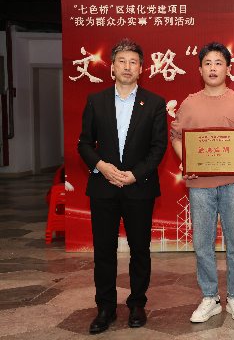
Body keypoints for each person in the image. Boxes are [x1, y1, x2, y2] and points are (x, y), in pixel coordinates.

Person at [78, 39, 168, 334]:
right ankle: (105, 308)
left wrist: (134, 175)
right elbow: (84, 143)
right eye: (122, 61)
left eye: (133, 62)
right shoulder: (96, 99)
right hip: (102, 187)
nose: (127, 66)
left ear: (141, 69)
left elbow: (158, 147)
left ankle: (137, 304)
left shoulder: (154, 102)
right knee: (104, 250)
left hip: (138, 187)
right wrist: (101, 166)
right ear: (112, 67)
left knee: (140, 249)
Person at [170, 41, 234, 323]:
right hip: (200, 184)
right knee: (202, 243)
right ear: (200, 69)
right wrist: (186, 160)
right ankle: (210, 297)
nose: (213, 68)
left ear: (228, 69)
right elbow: (176, 137)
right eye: (207, 63)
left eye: (218, 63)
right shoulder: (190, 103)